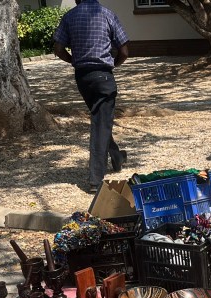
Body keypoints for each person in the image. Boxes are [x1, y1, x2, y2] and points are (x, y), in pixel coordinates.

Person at [54, 0, 130, 194]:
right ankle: (95, 179)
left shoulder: (69, 16)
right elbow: (124, 50)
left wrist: (74, 61)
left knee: (100, 119)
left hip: (83, 78)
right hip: (104, 75)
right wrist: (114, 64)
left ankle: (117, 156)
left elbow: (58, 49)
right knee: (100, 124)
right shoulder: (107, 14)